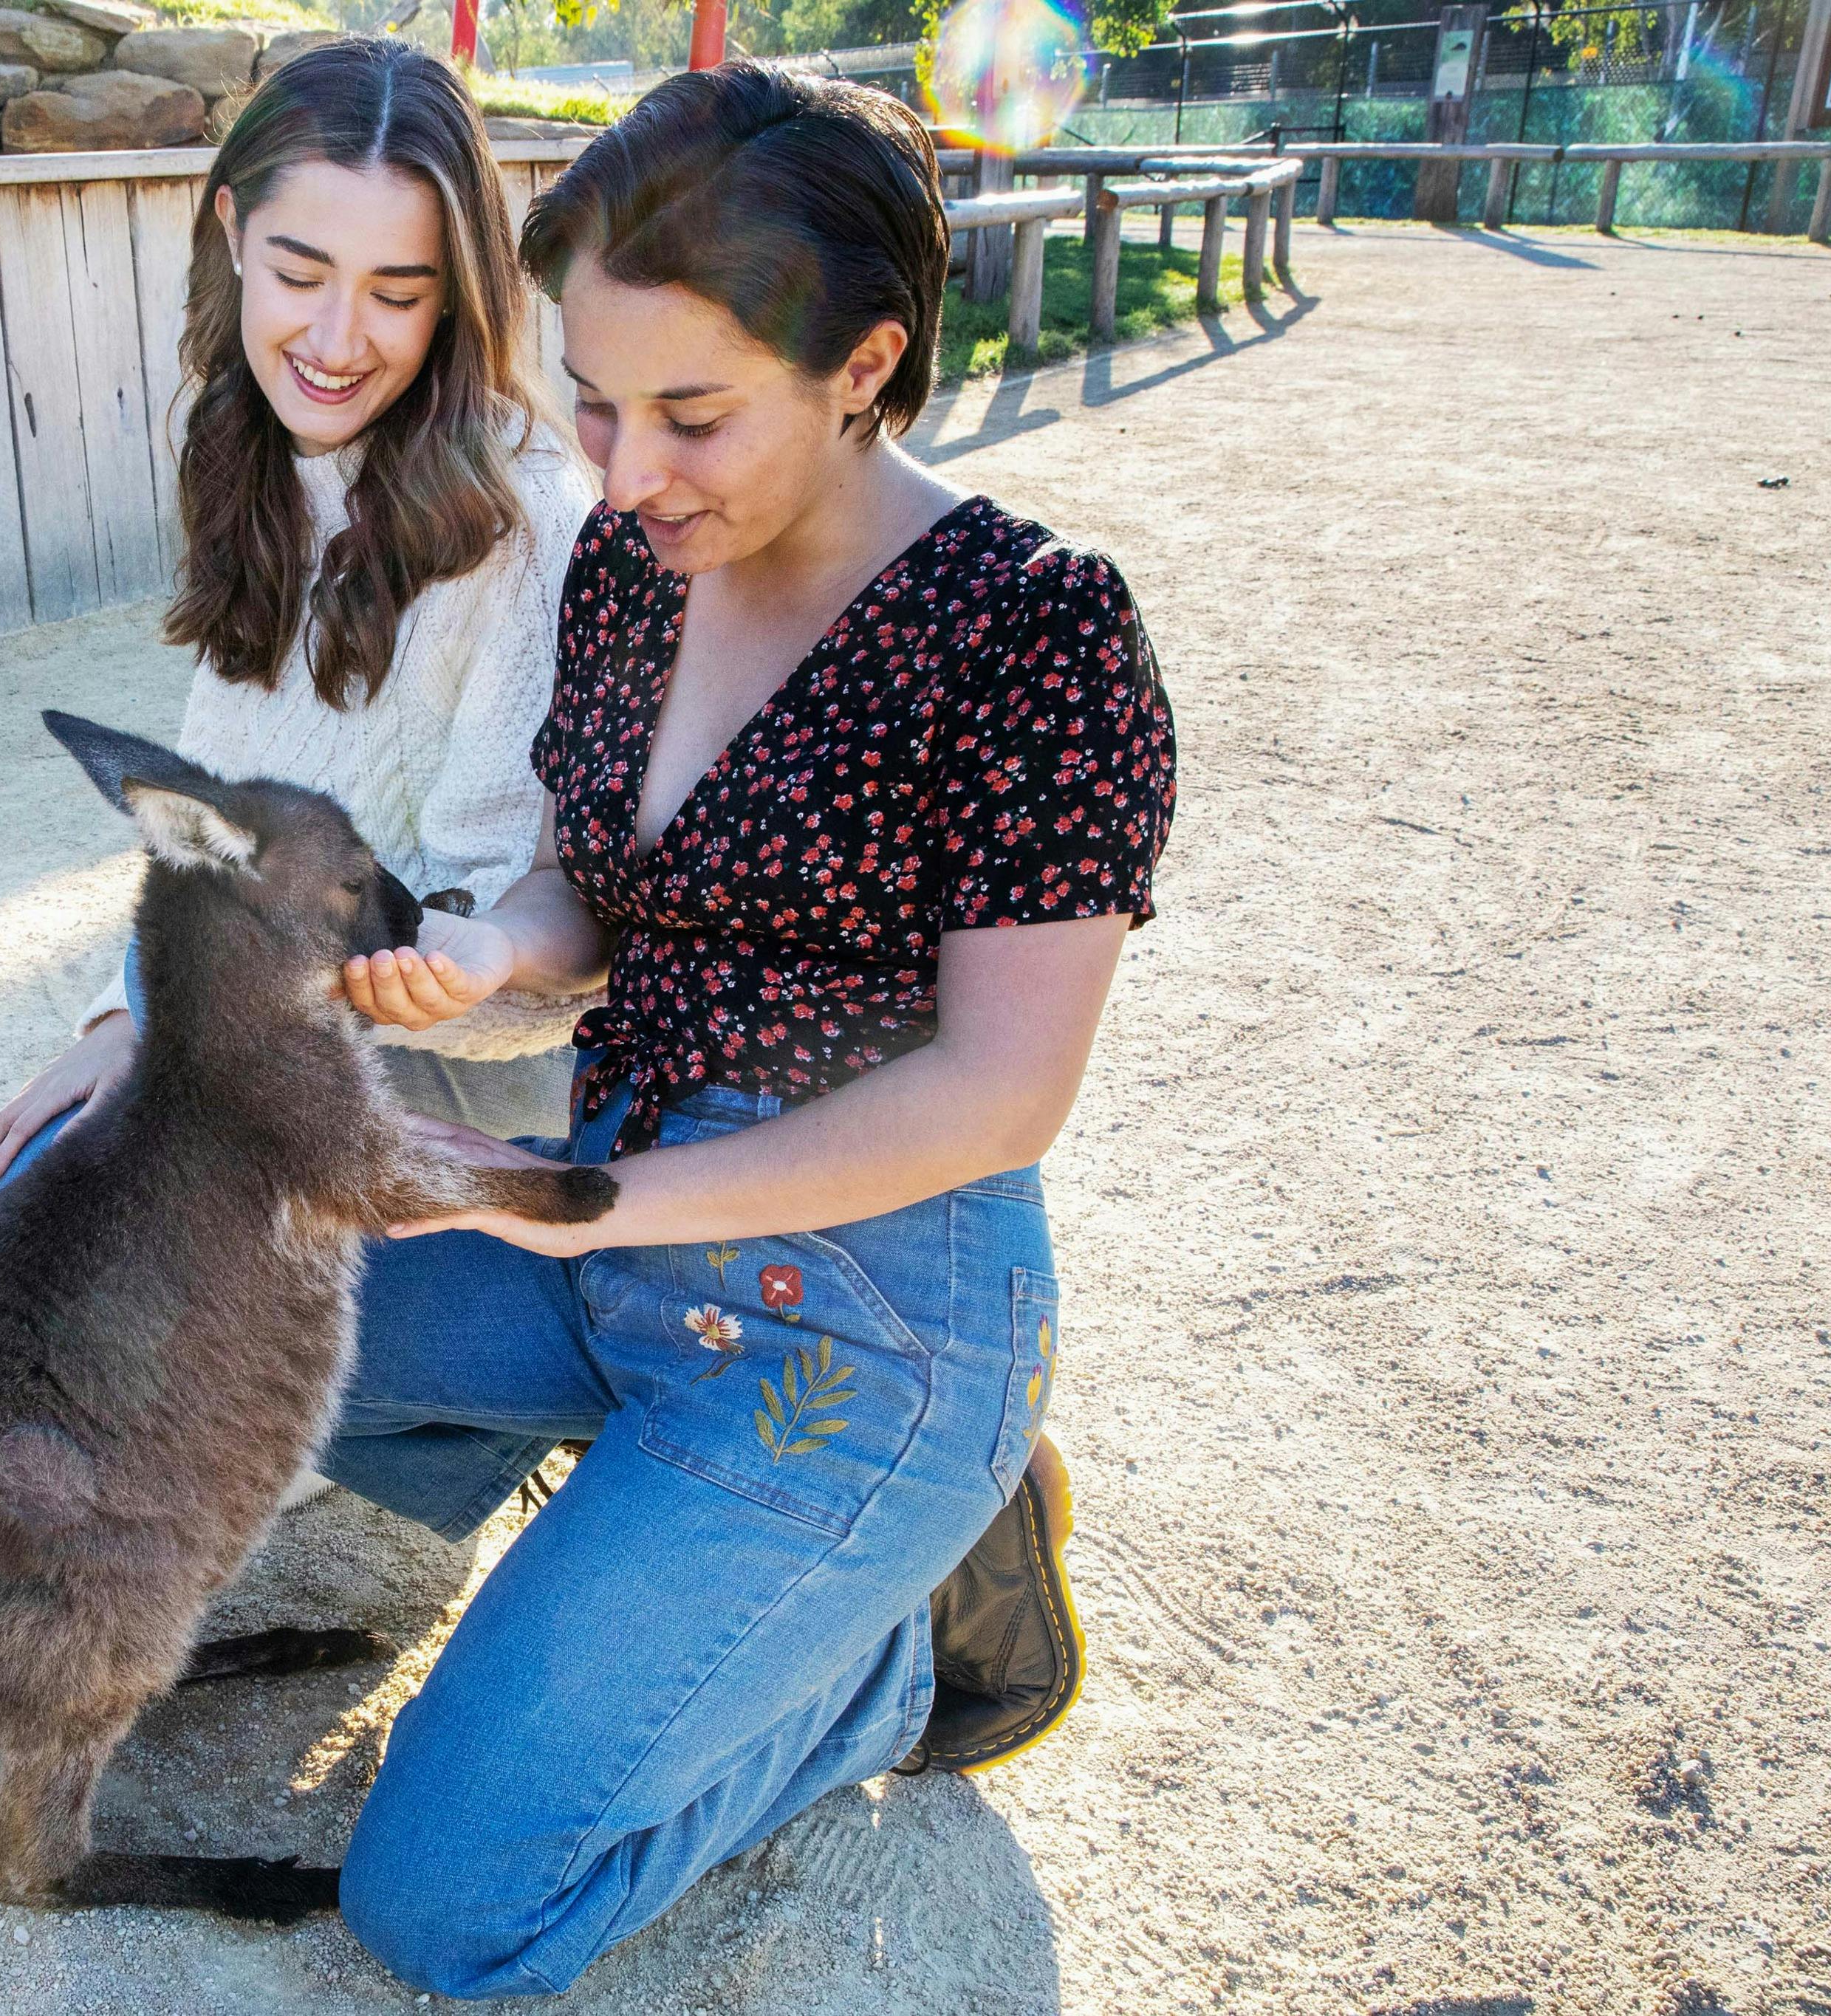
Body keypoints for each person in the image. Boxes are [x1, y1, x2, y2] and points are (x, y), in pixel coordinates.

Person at [311, 66, 1177, 1997]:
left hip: (871, 1315)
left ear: (865, 361)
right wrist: (486, 952)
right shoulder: (635, 562)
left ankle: (888, 1661)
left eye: (690, 416)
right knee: (221, 1289)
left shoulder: (1036, 629)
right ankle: (683, 1532)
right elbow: (588, 898)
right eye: (596, 405)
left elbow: (1002, 1088)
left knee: (443, 1906)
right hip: (605, 1225)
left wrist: (584, 1200)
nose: (621, 475)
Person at [0, 35, 598, 1188]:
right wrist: (126, 1017)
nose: (335, 340)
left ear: (456, 299)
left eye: (397, 295)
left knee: (97, 1219)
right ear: (232, 236)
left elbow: (509, 929)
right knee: (46, 1191)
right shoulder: (254, 451)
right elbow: (216, 808)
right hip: (275, 1002)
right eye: (300, 275)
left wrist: (214, 1034)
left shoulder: (529, 524)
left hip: (451, 1064)